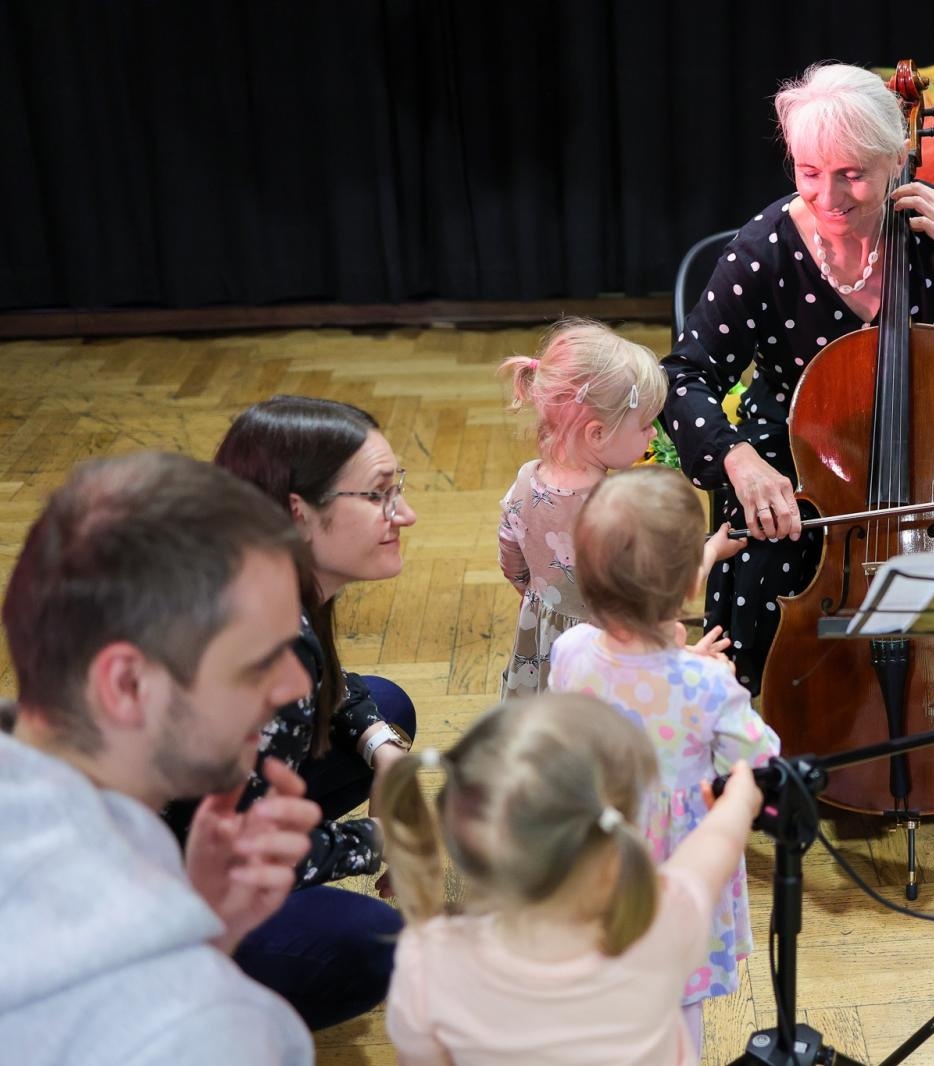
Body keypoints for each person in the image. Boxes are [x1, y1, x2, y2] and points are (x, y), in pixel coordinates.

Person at [659, 61, 934, 694]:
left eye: (852, 174)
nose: (828, 197)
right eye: (809, 172)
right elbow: (684, 375)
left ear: (899, 156)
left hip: (929, 441)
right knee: (771, 554)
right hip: (800, 444)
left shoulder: (930, 226)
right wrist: (736, 458)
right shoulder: (764, 251)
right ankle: (777, 719)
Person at [0, 451, 322, 1065]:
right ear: (126, 685)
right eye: (260, 662)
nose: (296, 686)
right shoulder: (206, 1031)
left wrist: (200, 921)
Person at [164, 395, 421, 1029]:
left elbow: (345, 687)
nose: (405, 514)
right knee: (376, 944)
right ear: (296, 514)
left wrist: (383, 749)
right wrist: (387, 841)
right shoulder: (266, 643)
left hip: (189, 832)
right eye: (379, 496)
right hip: (154, 893)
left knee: (384, 707)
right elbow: (240, 852)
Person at [377, 693, 766, 1066]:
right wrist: (738, 804)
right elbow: (712, 851)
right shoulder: (659, 921)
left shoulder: (426, 961)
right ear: (618, 829)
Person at [549, 466, 780, 1053]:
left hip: (594, 858)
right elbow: (763, 755)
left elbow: (642, 641)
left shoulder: (571, 651)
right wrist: (720, 679)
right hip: (676, 869)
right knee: (679, 1007)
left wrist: (706, 555)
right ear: (685, 593)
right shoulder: (705, 686)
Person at [497, 318, 734, 696]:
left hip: (543, 640)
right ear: (597, 433)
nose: (653, 433)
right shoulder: (617, 512)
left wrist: (548, 602)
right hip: (612, 658)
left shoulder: (525, 480)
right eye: (644, 426)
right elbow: (664, 594)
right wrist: (711, 550)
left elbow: (512, 561)